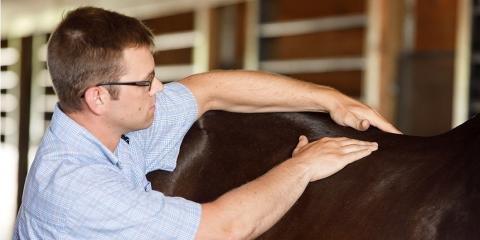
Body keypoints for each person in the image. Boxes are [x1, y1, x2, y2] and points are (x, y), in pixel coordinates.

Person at [13, 6, 400, 240]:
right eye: (145, 82)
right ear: (97, 97)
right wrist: (302, 167)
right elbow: (224, 230)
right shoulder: (77, 186)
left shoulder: (107, 129)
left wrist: (331, 99)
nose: (159, 88)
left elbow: (209, 89)